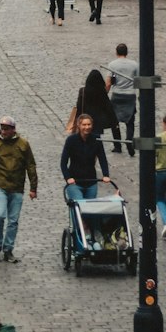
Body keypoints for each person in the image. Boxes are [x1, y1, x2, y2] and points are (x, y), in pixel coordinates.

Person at [0, 115, 38, 262]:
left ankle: (8, 249)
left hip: (17, 188)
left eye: (6, 129)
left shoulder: (23, 144)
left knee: (13, 221)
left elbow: (30, 165)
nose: (3, 131)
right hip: (0, 186)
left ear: (13, 130)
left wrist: (33, 188)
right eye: (2, 128)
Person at [61, 115, 112, 252]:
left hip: (90, 181)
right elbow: (63, 162)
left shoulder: (96, 140)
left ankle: (95, 235)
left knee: (92, 210)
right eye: (84, 125)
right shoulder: (71, 140)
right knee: (80, 207)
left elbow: (102, 158)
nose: (87, 127)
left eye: (89, 125)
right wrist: (68, 178)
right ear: (79, 126)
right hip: (75, 182)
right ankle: (84, 235)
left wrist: (106, 175)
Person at [105, 43, 139, 156]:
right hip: (130, 95)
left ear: (116, 52)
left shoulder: (112, 64)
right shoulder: (134, 65)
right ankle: (129, 140)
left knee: (114, 121)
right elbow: (139, 80)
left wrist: (105, 94)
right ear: (126, 52)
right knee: (130, 121)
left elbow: (109, 82)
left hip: (117, 94)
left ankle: (117, 145)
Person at [74, 69, 115, 138]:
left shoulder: (83, 91)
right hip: (97, 121)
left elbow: (79, 106)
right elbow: (107, 106)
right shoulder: (102, 92)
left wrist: (77, 119)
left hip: (85, 119)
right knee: (96, 140)